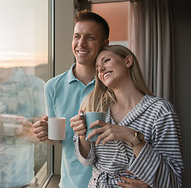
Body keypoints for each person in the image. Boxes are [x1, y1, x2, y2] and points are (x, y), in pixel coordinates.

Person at [33, 10, 148, 188]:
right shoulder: (52, 87)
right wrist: (47, 134)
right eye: (77, 36)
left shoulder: (115, 84)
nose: (81, 43)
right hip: (71, 184)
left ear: (104, 43)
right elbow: (61, 139)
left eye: (90, 37)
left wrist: (149, 179)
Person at [70, 45, 183, 187]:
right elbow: (86, 161)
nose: (101, 69)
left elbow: (173, 182)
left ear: (128, 61)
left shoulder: (160, 111)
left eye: (106, 61)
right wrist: (81, 136)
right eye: (97, 67)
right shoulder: (95, 107)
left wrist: (133, 137)